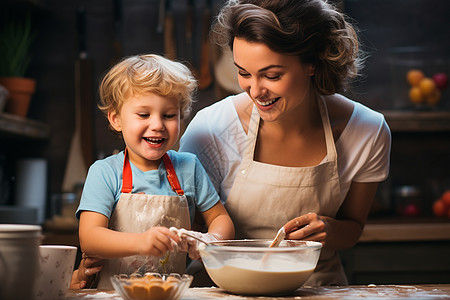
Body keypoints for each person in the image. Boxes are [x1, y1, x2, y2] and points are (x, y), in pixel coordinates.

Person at [179, 0, 391, 286]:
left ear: (312, 64)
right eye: (243, 73)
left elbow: (352, 229)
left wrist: (329, 229)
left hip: (318, 288)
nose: (256, 91)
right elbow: (188, 230)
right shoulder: (211, 129)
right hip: (223, 287)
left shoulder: (366, 131)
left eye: (272, 75)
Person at [76, 54, 234, 289]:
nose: (158, 124)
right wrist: (141, 242)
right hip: (113, 294)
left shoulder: (189, 167)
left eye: (169, 115)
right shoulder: (104, 172)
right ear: (116, 119)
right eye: (144, 114)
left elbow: (221, 219)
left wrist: (210, 240)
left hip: (171, 293)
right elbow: (90, 237)